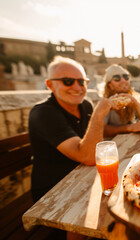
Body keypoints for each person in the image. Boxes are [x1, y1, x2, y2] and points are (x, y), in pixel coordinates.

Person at [29, 56, 112, 239]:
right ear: (50, 85)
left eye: (81, 81)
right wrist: (99, 115)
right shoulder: (43, 113)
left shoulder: (85, 105)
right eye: (68, 81)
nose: (77, 87)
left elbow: (93, 144)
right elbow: (88, 156)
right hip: (54, 191)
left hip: (82, 178)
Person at [102, 64, 140, 138]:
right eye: (117, 78)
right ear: (110, 85)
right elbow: (102, 131)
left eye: (126, 77)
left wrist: (136, 105)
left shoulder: (131, 99)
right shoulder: (105, 102)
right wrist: (130, 127)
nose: (123, 81)